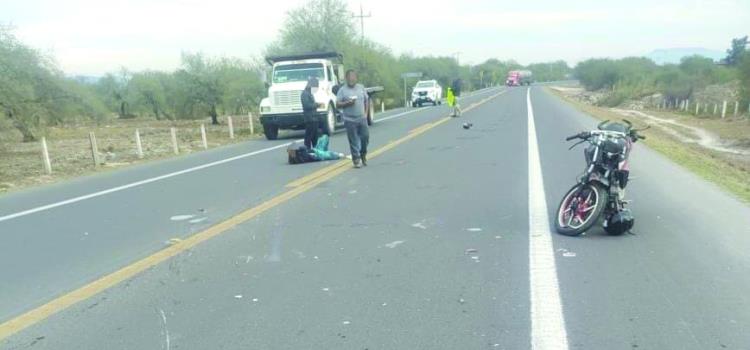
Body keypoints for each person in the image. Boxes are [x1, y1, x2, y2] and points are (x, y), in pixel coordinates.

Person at [336, 69, 369, 168]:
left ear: (356, 78)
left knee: (365, 138)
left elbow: (366, 100)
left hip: (362, 118)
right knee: (353, 140)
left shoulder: (361, 88)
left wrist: (366, 113)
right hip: (349, 119)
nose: (351, 79)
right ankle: (356, 160)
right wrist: (347, 103)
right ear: (346, 78)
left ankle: (363, 154)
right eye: (349, 77)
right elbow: (337, 104)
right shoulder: (342, 90)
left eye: (353, 77)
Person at [300, 77, 320, 149]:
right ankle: (307, 150)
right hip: (309, 118)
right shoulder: (304, 94)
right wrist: (316, 105)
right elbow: (306, 105)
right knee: (309, 136)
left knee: (315, 137)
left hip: (314, 118)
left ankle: (315, 150)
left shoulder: (310, 93)